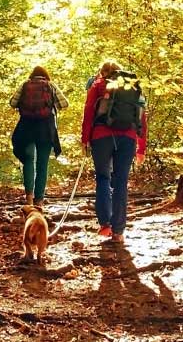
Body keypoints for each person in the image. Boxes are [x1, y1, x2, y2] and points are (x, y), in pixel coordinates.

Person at [81, 61, 147, 243]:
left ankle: (105, 225)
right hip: (128, 137)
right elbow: (142, 115)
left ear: (101, 72)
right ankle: (119, 232)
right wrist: (141, 147)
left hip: (101, 137)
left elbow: (88, 112)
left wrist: (85, 139)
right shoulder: (132, 87)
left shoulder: (98, 85)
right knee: (121, 181)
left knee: (103, 178)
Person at [11, 66, 68, 208]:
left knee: (28, 160)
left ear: (32, 75)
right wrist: (50, 106)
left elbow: (12, 103)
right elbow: (64, 104)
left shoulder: (25, 85)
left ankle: (29, 197)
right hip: (45, 128)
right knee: (42, 164)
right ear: (45, 75)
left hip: (26, 127)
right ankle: (39, 200)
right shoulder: (51, 85)